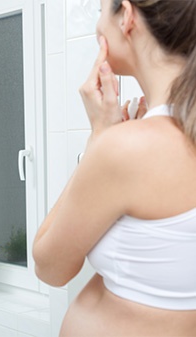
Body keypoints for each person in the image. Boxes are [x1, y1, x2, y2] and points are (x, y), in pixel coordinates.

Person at [33, 0, 196, 336]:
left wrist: (99, 136)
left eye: (101, 12)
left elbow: (49, 266)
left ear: (127, 16)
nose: (97, 28)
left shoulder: (127, 147)